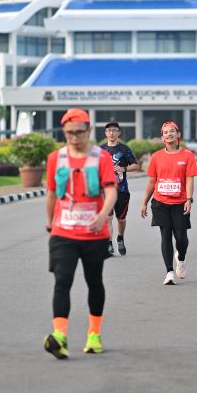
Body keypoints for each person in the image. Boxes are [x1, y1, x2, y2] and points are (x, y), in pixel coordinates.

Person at [44, 108, 117, 359]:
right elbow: (51, 194)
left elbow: (111, 191)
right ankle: (60, 336)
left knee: (94, 282)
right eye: (69, 133)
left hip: (94, 234)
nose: (74, 137)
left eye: (79, 132)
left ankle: (94, 334)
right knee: (62, 281)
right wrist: (49, 223)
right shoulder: (56, 158)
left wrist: (103, 215)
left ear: (88, 131)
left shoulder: (101, 157)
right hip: (63, 232)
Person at [140, 121, 197, 285]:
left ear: (178, 135)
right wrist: (144, 202)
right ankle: (169, 272)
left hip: (180, 202)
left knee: (181, 238)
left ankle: (181, 258)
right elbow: (152, 181)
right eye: (165, 132)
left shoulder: (187, 155)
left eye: (172, 131)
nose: (169, 134)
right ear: (162, 137)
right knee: (165, 235)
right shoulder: (156, 157)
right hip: (160, 202)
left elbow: (189, 179)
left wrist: (189, 199)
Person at [101, 122, 139, 255]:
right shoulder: (100, 150)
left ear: (119, 133)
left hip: (121, 190)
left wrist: (123, 168)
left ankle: (120, 238)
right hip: (105, 190)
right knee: (108, 218)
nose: (111, 133)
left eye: (114, 130)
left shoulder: (124, 149)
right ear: (105, 133)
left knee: (121, 219)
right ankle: (109, 244)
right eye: (109, 130)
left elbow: (136, 165)